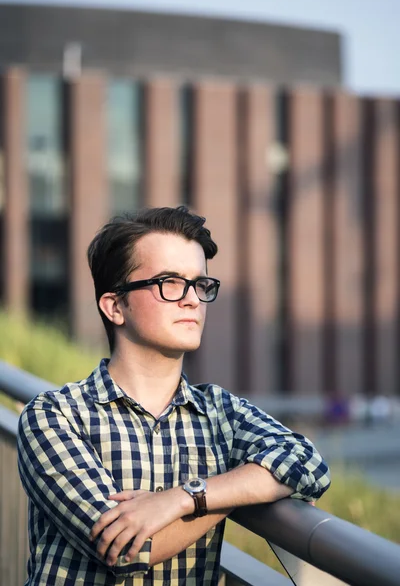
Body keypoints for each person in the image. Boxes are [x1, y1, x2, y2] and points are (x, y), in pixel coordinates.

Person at [17, 206, 331, 586]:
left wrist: (185, 497)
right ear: (115, 306)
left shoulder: (219, 411)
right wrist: (235, 490)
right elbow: (127, 551)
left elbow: (307, 463)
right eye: (170, 283)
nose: (192, 300)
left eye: (200, 284)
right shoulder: (54, 415)